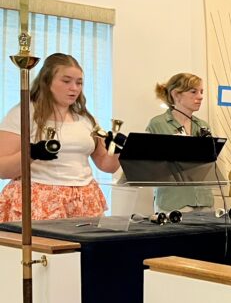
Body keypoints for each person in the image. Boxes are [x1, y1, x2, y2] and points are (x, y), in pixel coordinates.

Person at [0, 53, 121, 222]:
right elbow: (3, 169)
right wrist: (32, 153)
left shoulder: (86, 118)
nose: (74, 88)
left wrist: (116, 149)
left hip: (84, 199)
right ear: (47, 81)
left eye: (79, 82)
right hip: (39, 199)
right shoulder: (24, 113)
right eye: (66, 81)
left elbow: (107, 166)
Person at [146, 72, 215, 212]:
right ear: (176, 94)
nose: (200, 96)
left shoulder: (203, 126)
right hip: (174, 202)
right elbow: (150, 166)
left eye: (202, 92)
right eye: (193, 92)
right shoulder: (158, 124)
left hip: (204, 200)